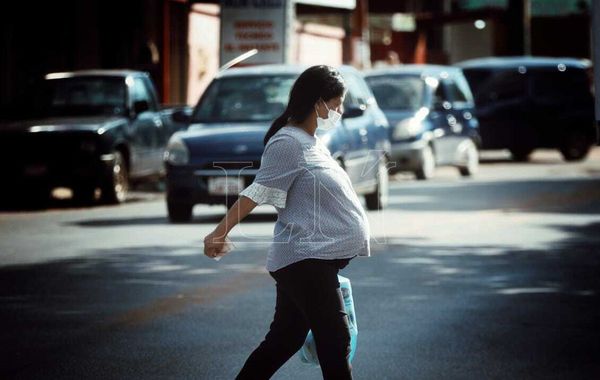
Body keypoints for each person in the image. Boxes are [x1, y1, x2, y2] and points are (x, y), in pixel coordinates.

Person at [203, 65, 371, 380]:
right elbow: (257, 192)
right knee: (336, 341)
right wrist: (219, 232)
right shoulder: (287, 143)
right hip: (306, 259)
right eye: (337, 104)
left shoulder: (312, 141)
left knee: (285, 339)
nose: (340, 111)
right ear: (319, 103)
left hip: (311, 258)